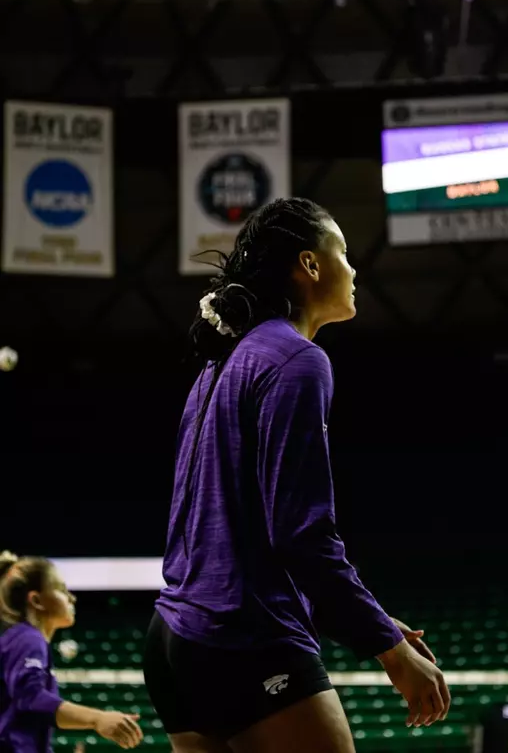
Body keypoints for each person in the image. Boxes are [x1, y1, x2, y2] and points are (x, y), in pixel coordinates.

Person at [144, 198, 450, 753]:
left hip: (173, 643)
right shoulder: (296, 360)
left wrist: (371, 617)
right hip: (242, 639)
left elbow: (235, 537)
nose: (354, 270)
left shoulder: (221, 365)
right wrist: (390, 650)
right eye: (345, 254)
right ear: (310, 265)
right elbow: (300, 536)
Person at [0, 553, 144, 753]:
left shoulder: (23, 639)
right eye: (61, 590)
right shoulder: (27, 638)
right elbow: (30, 699)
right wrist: (97, 719)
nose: (72, 598)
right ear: (37, 600)